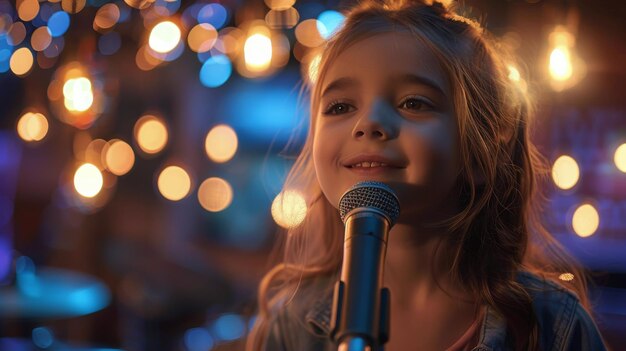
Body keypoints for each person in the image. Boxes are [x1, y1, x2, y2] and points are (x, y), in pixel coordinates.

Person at [246, 0, 609, 350]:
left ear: (479, 153)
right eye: (340, 106)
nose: (368, 123)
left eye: (413, 103)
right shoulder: (293, 323)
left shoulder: (553, 327)